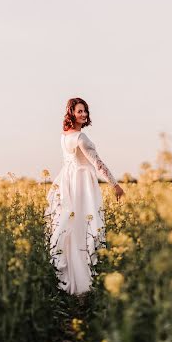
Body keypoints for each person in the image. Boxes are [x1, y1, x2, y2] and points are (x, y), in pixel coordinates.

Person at [44, 97, 125, 295]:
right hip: (82, 184)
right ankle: (84, 283)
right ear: (71, 112)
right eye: (79, 111)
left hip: (69, 181)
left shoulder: (64, 137)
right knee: (83, 227)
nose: (84, 115)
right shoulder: (81, 138)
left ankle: (71, 279)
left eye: (85, 111)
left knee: (73, 228)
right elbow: (97, 164)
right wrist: (115, 185)